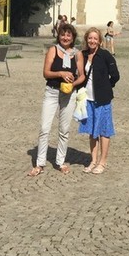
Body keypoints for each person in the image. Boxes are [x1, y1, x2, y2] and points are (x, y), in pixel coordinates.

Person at [27, 23, 84, 176]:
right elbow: (46, 73)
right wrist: (60, 73)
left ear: (72, 38)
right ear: (59, 36)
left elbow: (82, 76)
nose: (65, 38)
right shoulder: (53, 50)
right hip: (52, 92)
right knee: (44, 128)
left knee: (64, 130)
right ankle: (40, 163)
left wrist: (73, 84)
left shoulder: (77, 54)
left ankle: (60, 161)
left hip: (68, 94)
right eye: (63, 35)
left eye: (68, 35)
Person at [79, 27, 120, 174]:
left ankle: (102, 162)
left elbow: (115, 75)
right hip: (88, 99)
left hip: (102, 99)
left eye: (95, 38)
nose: (92, 41)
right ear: (86, 39)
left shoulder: (105, 55)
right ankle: (93, 160)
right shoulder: (83, 55)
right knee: (91, 131)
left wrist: (107, 86)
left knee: (104, 130)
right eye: (90, 38)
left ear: (99, 41)